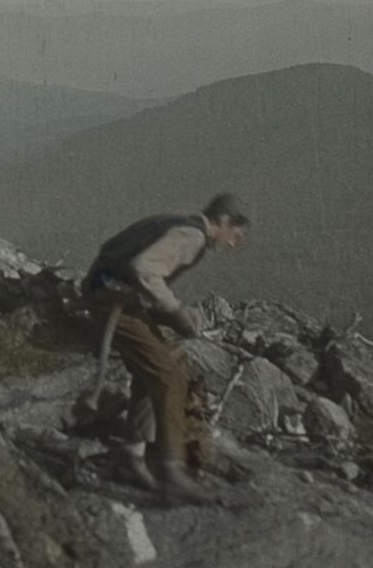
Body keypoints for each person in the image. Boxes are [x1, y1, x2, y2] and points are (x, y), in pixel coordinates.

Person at [83, 193, 250, 502]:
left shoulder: (176, 221)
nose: (232, 244)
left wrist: (171, 316)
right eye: (235, 235)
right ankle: (170, 470)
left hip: (111, 294)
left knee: (151, 374)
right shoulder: (192, 236)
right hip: (114, 304)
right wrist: (177, 312)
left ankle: (131, 458)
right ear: (224, 221)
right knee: (172, 377)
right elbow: (144, 268)